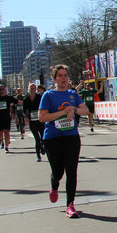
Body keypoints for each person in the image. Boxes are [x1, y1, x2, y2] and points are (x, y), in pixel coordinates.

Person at [38, 65, 90, 218]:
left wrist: (73, 109)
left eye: (65, 75)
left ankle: (70, 205)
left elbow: (86, 110)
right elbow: (42, 117)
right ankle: (54, 185)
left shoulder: (73, 94)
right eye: (60, 75)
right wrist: (62, 112)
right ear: (55, 79)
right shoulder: (48, 95)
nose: (63, 78)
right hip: (52, 137)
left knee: (72, 171)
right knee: (58, 172)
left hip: (71, 136)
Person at [24, 83, 45, 161]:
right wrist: (25, 117)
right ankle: (38, 156)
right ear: (28, 89)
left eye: (34, 88)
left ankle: (42, 146)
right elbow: (24, 111)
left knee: (43, 137)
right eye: (31, 88)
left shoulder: (40, 97)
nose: (33, 90)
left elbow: (44, 107)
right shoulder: (26, 100)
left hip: (40, 120)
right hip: (32, 122)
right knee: (37, 139)